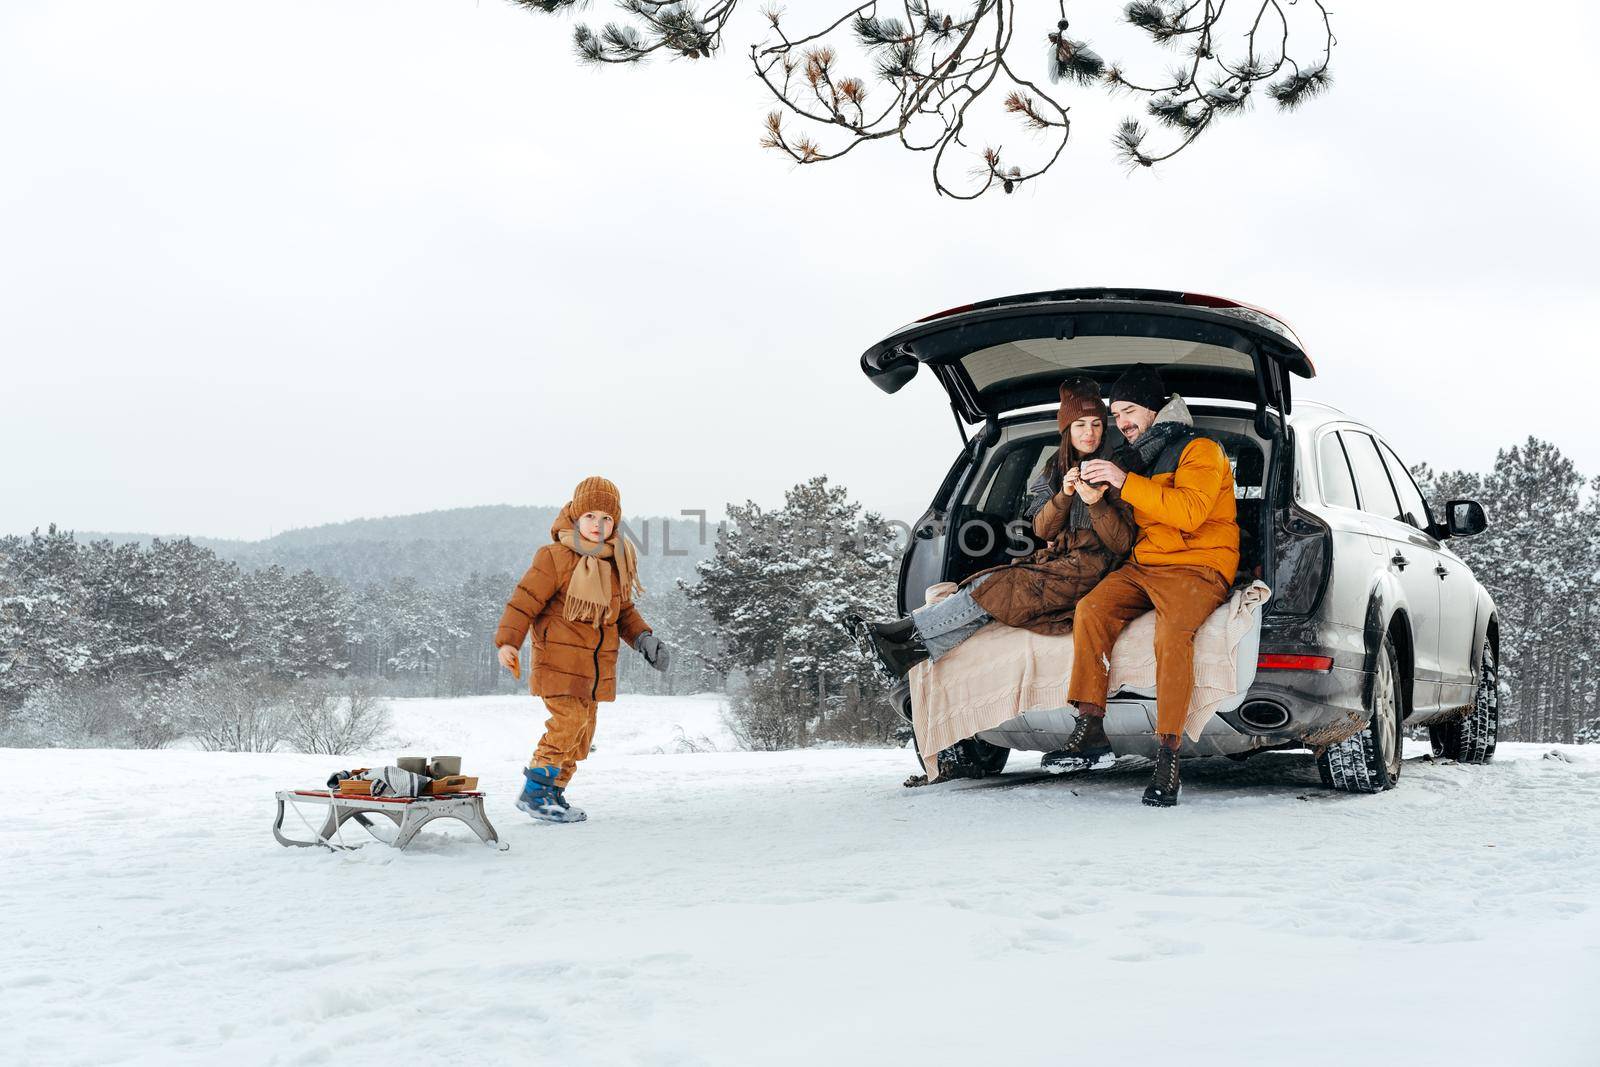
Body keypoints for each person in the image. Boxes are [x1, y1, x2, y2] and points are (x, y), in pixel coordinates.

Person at [853, 378, 1136, 681]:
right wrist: (1063, 496)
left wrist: (1096, 503)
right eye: (1080, 425)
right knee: (992, 593)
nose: (1090, 433)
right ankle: (907, 654)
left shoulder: (1116, 468)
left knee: (993, 588)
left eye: (1096, 424)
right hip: (1059, 564)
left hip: (1093, 570)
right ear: (1067, 428)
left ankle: (900, 631)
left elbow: (1121, 544)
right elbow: (1042, 530)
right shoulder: (1056, 469)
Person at [1051, 366, 1240, 806]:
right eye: (1116, 415)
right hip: (1146, 564)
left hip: (1198, 566)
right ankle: (1091, 724)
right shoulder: (1135, 456)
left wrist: (1122, 480)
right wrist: (1092, 495)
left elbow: (1190, 512)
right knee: (1092, 609)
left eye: (1129, 411)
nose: (1122, 423)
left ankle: (1168, 752)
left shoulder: (1201, 450)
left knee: (1172, 634)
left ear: (1154, 408)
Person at [493, 476, 670, 823]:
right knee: (568, 722)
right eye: (591, 516)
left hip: (593, 670)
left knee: (582, 734)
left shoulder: (615, 562)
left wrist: (644, 639)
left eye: (607, 519)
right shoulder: (554, 557)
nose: (598, 525)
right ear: (575, 515)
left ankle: (555, 793)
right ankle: (535, 792)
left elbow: (623, 612)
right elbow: (523, 602)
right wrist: (509, 642)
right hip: (558, 663)